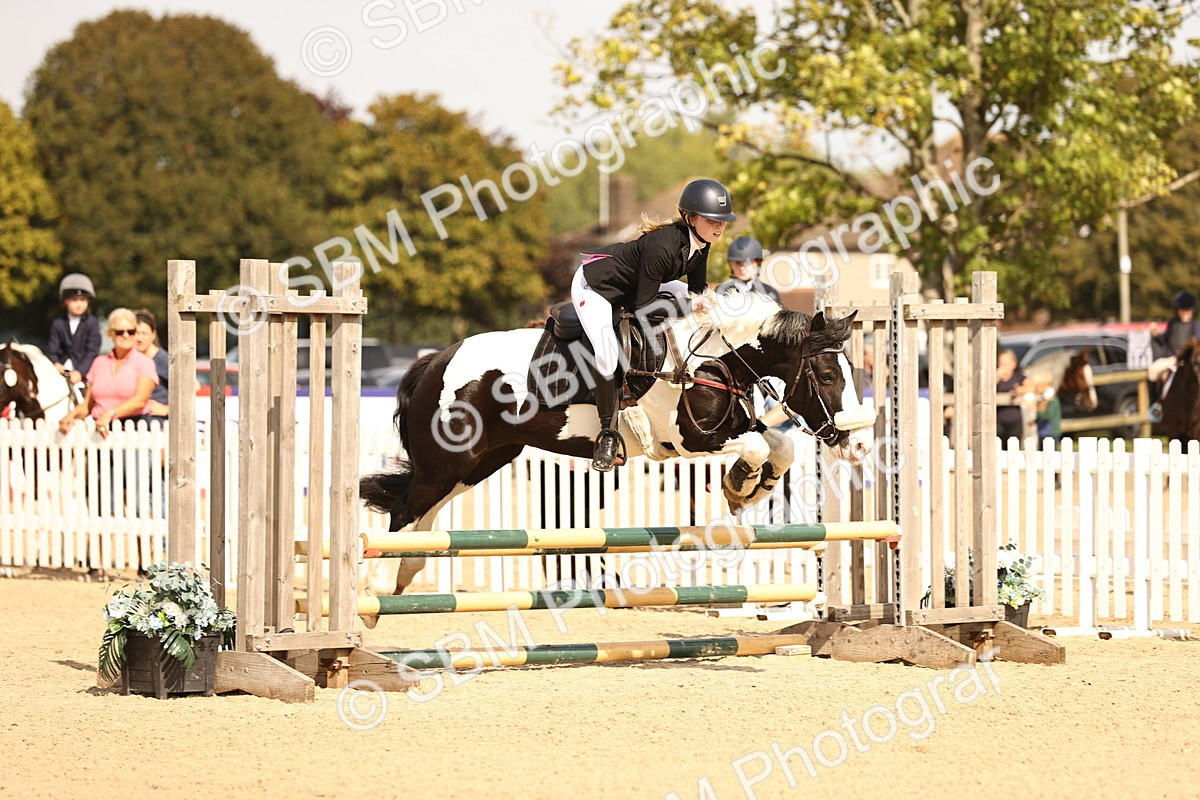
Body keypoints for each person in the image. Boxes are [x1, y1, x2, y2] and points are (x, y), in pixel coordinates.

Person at [571, 177, 735, 471]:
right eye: (712, 220)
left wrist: (708, 309)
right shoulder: (662, 247)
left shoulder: (701, 243)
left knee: (696, 300)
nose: (719, 226)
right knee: (607, 354)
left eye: (722, 220)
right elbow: (646, 309)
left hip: (632, 290)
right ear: (691, 218)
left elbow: (696, 292)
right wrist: (690, 305)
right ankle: (607, 435)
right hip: (595, 286)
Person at [58, 308, 158, 440]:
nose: (126, 335)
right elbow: (88, 405)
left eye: (131, 332)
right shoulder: (99, 363)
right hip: (100, 432)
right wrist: (72, 414)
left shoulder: (145, 363)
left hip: (134, 433)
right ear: (111, 335)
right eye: (120, 332)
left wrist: (110, 414)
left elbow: (139, 401)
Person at [47, 273, 102, 400]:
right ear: (65, 302)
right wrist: (55, 363)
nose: (78, 304)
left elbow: (92, 351)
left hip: (84, 373)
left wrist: (80, 372)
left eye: (82, 300)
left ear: (88, 301)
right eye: (74, 300)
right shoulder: (58, 323)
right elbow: (53, 349)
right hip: (60, 372)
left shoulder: (92, 323)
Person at [716, 235, 781, 304]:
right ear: (730, 264)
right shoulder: (721, 291)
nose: (742, 268)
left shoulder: (769, 292)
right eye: (738, 263)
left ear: (758, 263)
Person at [133, 309, 169, 423]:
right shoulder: (130, 359)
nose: (139, 338)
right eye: (135, 333)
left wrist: (168, 409)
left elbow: (193, 386)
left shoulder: (163, 359)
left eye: (144, 333)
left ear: (153, 335)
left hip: (157, 423)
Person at [995, 348, 1026, 442]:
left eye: (1006, 363)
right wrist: (997, 377)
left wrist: (1020, 390)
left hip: (1014, 420)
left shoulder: (1018, 378)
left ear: (1013, 364)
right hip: (997, 420)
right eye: (1001, 362)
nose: (1003, 365)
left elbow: (1031, 386)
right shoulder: (995, 378)